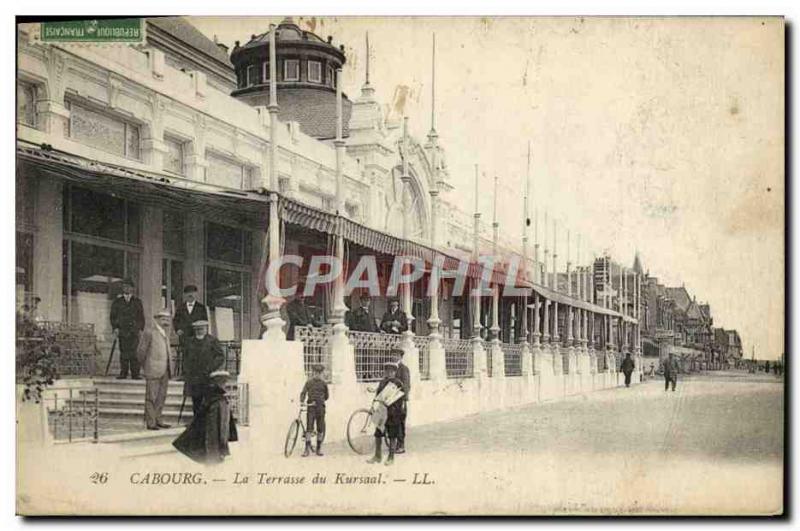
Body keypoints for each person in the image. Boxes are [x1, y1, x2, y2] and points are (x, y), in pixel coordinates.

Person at [173, 369, 238, 464]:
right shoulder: (218, 400)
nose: (224, 384)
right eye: (223, 382)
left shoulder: (216, 399)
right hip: (213, 444)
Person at [136, 310, 174, 430]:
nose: (166, 321)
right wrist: (147, 367)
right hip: (153, 370)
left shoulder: (165, 333)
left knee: (161, 397)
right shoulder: (149, 332)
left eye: (168, 319)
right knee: (151, 397)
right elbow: (140, 352)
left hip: (165, 371)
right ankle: (151, 422)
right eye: (163, 319)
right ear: (156, 319)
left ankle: (158, 419)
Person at [182, 320, 225, 419]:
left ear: (206, 329)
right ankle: (196, 423)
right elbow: (185, 357)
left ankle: (207, 423)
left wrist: (211, 367)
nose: (200, 331)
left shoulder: (212, 340)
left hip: (207, 376)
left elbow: (220, 356)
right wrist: (187, 371)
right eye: (197, 329)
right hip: (194, 377)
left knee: (207, 401)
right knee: (196, 401)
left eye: (202, 329)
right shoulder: (190, 341)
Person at [367, 362, 405, 466]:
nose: (388, 373)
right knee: (378, 434)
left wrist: (393, 408)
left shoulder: (398, 383)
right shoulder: (382, 382)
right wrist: (373, 407)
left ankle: (391, 457)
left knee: (392, 435)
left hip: (393, 413)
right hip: (382, 412)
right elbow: (377, 396)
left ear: (394, 372)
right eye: (387, 371)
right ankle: (377, 456)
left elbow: (401, 398)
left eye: (391, 371)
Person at [110, 279, 145, 380]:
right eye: (125, 287)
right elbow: (113, 316)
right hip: (122, 331)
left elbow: (141, 317)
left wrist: (140, 329)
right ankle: (123, 373)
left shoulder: (137, 302)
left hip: (134, 331)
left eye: (129, 287)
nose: (127, 289)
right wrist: (115, 328)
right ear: (122, 288)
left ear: (133, 289)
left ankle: (135, 374)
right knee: (124, 353)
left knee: (134, 353)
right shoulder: (117, 302)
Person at [299, 363, 329, 457]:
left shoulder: (324, 384)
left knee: (320, 429)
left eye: (320, 373)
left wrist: (321, 400)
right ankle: (306, 449)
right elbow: (303, 393)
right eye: (316, 373)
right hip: (311, 408)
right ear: (313, 373)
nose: (318, 375)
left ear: (322, 373)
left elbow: (327, 396)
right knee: (309, 428)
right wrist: (302, 401)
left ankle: (319, 449)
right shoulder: (309, 383)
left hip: (320, 408)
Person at [172, 285, 208, 351]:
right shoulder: (180, 308)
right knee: (185, 356)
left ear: (196, 294)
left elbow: (205, 322)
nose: (190, 295)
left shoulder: (201, 308)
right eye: (188, 293)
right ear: (185, 295)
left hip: (198, 337)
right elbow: (175, 320)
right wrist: (177, 330)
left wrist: (203, 333)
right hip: (184, 337)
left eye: (193, 293)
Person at [392, 349, 411, 453]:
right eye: (393, 354)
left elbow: (407, 385)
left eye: (396, 355)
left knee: (400, 423)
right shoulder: (391, 369)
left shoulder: (403, 369)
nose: (394, 356)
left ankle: (401, 446)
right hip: (391, 399)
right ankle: (393, 442)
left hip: (400, 400)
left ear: (400, 356)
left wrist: (404, 399)